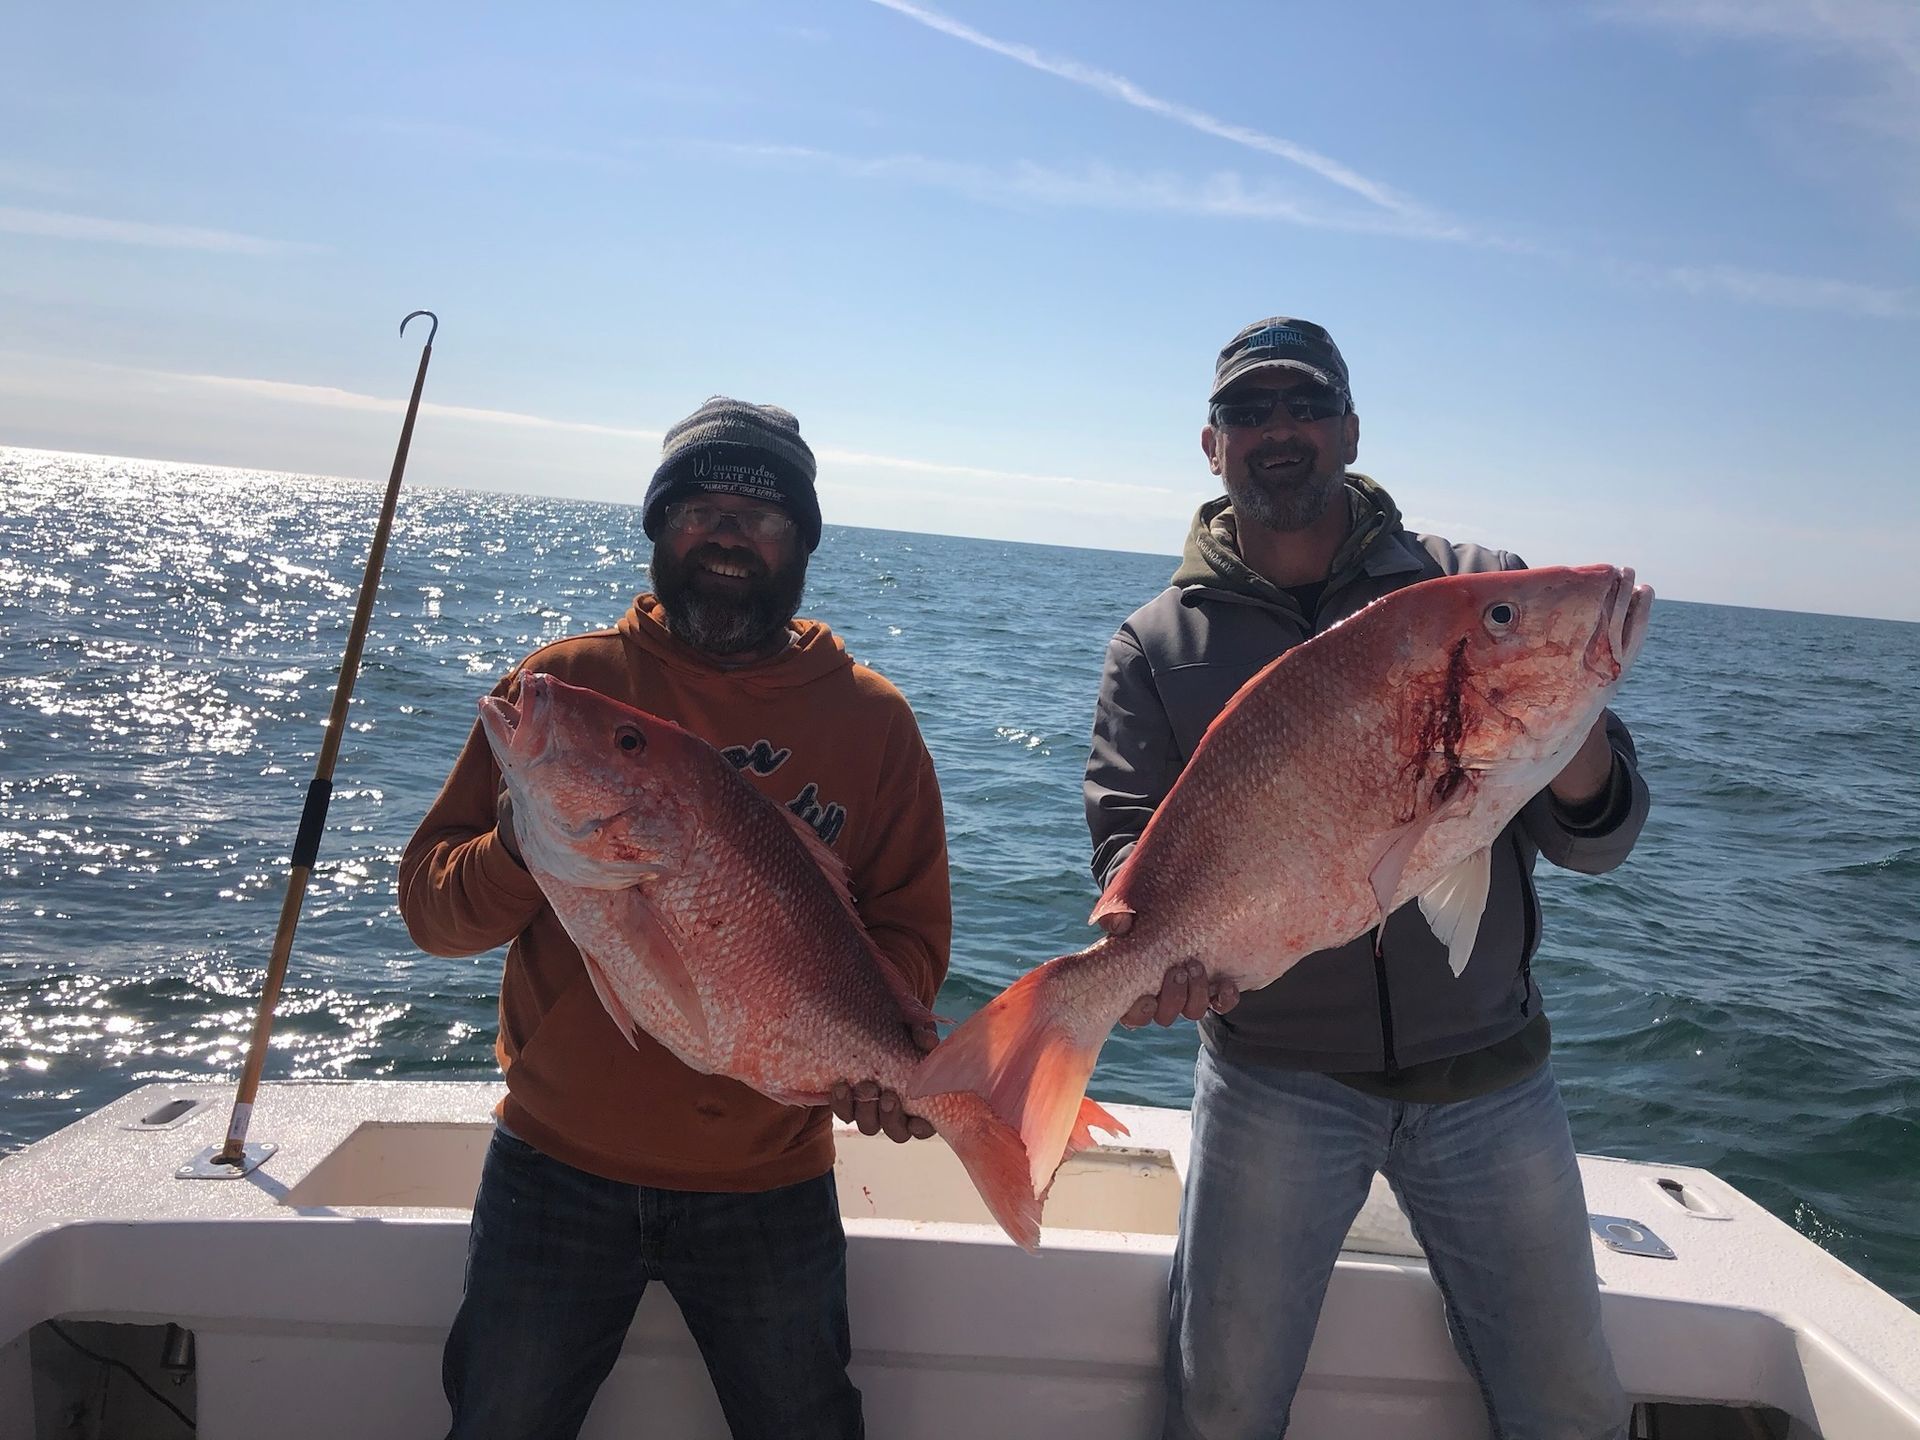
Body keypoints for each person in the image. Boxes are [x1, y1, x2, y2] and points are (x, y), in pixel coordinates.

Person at [1084, 318, 1649, 1439]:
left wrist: (1561, 710)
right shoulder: (1154, 647)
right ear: (1213, 445)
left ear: (1347, 428)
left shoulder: (1471, 592)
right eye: (1251, 413)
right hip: (1271, 1083)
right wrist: (1149, 961)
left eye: (1304, 406)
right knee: (1223, 1408)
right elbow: (1125, 849)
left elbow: (1599, 842)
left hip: (1491, 1082)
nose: (1278, 430)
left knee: (1574, 1409)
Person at [399, 397, 952, 1440]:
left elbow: (913, 934)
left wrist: (884, 1056)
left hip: (771, 1181)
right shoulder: (562, 692)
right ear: (659, 526)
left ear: (801, 542)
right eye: (701, 505)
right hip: (553, 1167)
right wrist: (526, 846)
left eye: (764, 511)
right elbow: (431, 909)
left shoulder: (873, 721)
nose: (730, 532)